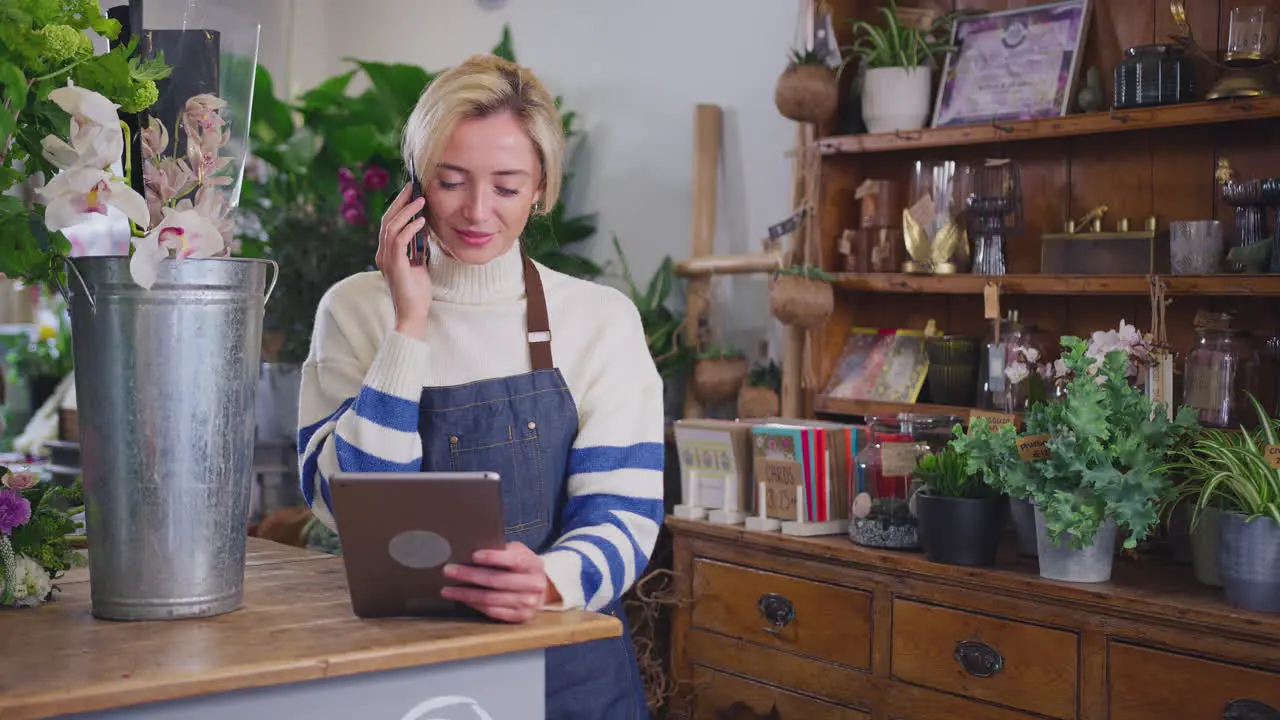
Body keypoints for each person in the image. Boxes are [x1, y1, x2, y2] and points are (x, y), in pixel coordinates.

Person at [294, 53, 664, 719]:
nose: (476, 212)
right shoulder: (353, 311)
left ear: (543, 189)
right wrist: (407, 326)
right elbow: (349, 510)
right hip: (405, 677)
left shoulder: (601, 321)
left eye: (507, 186)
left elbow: (626, 514)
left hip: (569, 673)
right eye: (451, 181)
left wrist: (546, 580)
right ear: (415, 184)